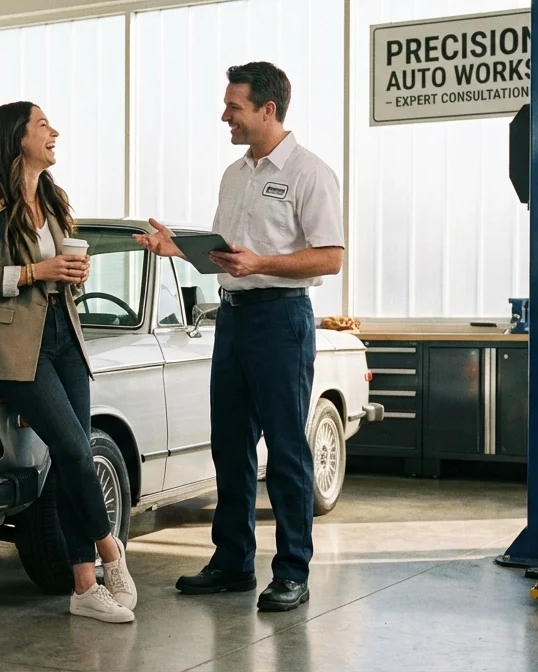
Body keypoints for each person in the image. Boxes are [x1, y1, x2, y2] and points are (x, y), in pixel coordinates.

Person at [133, 61, 344, 612]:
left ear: (267, 109)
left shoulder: (310, 173)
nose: (224, 114)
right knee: (229, 445)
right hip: (231, 318)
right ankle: (231, 562)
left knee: (288, 450)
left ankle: (292, 570)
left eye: (234, 106)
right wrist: (178, 247)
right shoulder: (234, 174)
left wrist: (263, 264)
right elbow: (229, 255)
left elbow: (331, 257)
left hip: (281, 319)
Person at [0, 101, 138, 624]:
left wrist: (68, 274)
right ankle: (110, 551)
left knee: (70, 456)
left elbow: (57, 269)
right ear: (17, 138)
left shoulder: (52, 198)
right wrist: (35, 271)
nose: (54, 132)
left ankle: (84, 588)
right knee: (78, 450)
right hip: (15, 346)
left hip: (63, 334)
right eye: (42, 126)